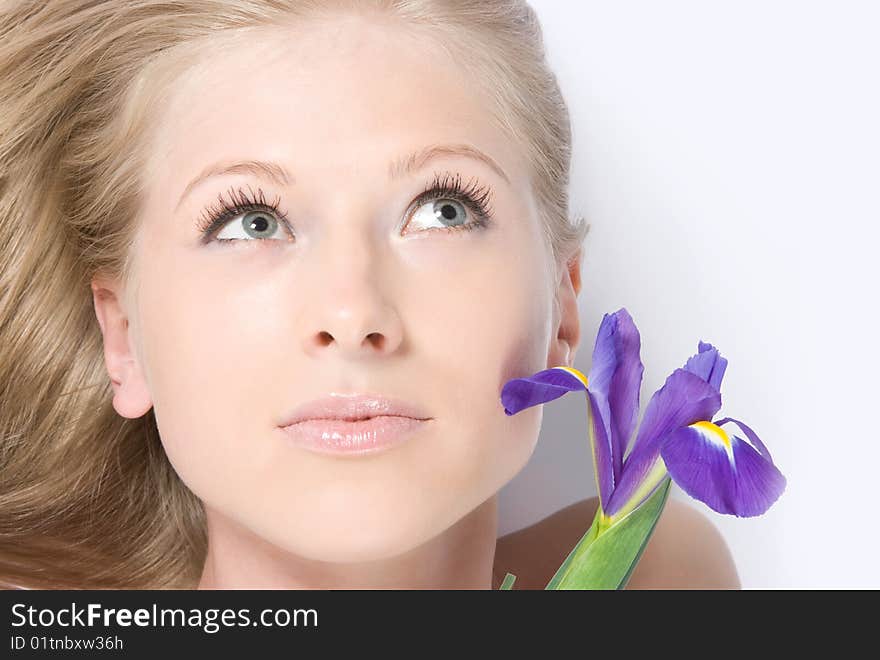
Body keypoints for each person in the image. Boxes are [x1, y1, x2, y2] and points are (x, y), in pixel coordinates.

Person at [0, 0, 739, 590]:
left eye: (443, 209)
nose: (353, 315)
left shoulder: (665, 574)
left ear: (563, 304)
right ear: (122, 339)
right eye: (250, 222)